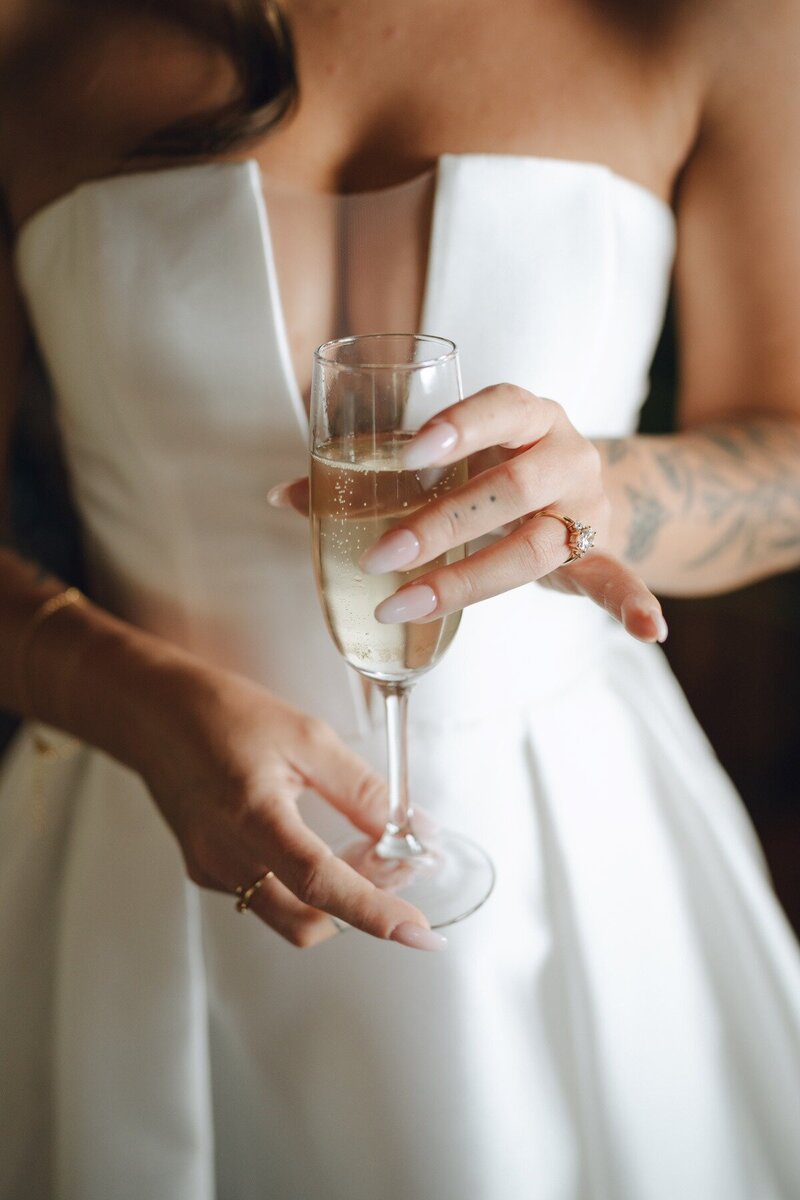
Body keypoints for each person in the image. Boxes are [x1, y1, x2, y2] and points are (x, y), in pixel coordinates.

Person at [1, 1, 800, 1197]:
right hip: (140, 827)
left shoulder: (710, 19)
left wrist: (615, 489)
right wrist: (120, 692)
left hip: (567, 835)